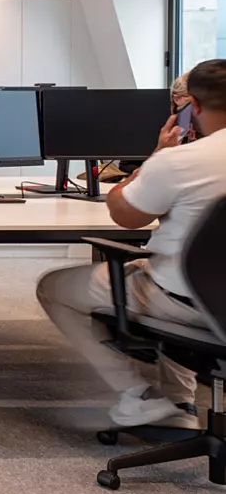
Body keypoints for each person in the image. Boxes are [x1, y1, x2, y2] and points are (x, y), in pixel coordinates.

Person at [36, 59, 226, 430]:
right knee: (168, 272)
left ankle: (138, 396)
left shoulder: (180, 162)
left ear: (194, 106)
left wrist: (155, 158)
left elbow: (126, 216)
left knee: (55, 287)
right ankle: (180, 403)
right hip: (212, 299)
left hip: (188, 299)